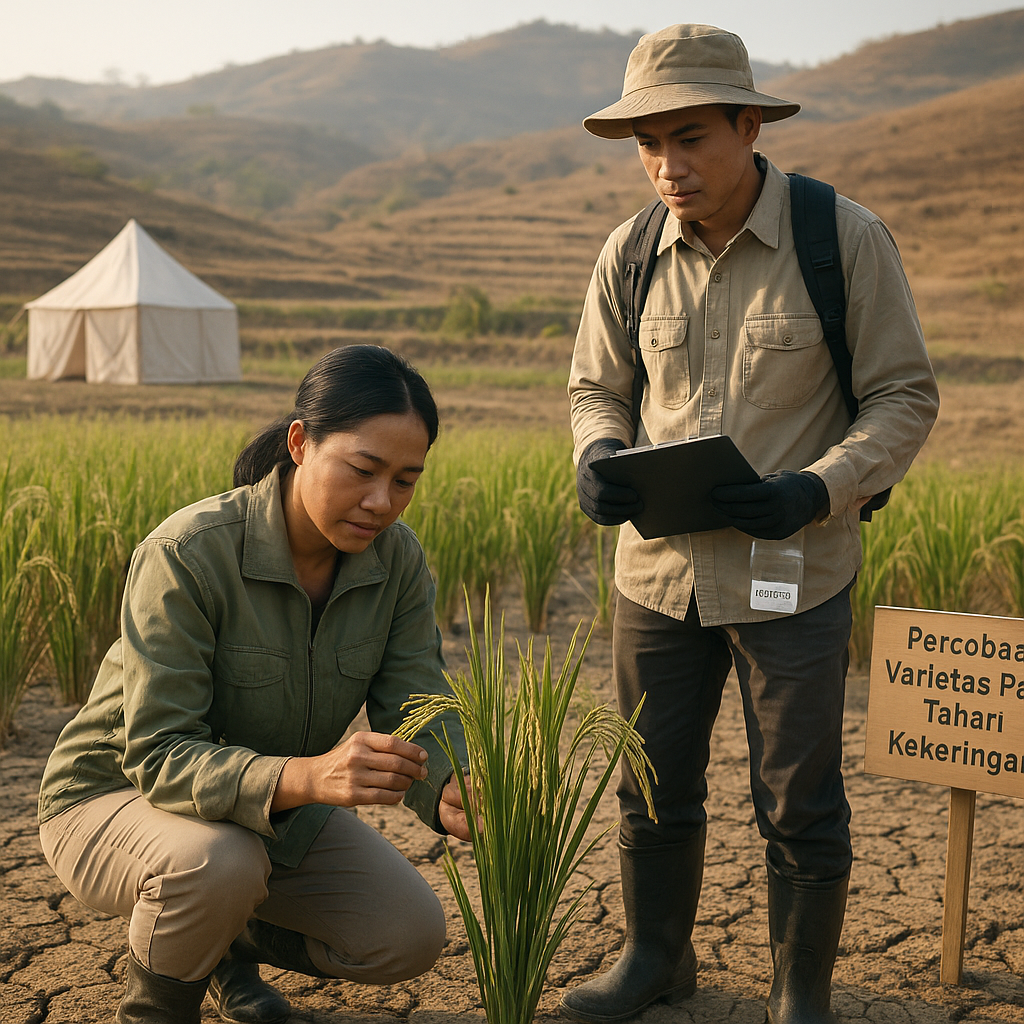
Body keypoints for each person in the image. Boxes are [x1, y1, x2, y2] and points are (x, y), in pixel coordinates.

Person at [564, 24, 939, 1024]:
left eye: (688, 137)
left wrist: (814, 488)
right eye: (647, 145)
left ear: (747, 124)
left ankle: (796, 989)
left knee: (798, 796)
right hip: (655, 578)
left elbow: (903, 396)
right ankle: (654, 959)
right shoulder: (630, 251)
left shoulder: (837, 236)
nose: (666, 166)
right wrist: (594, 455)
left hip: (795, 571)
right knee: (648, 784)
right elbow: (595, 387)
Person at [37, 345, 471, 1024]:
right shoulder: (190, 553)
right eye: (363, 470)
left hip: (269, 821)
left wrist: (453, 785)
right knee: (219, 862)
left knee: (405, 934)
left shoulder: (397, 561)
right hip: (112, 797)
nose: (382, 501)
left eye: (406, 480)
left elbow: (417, 698)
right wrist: (310, 778)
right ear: (300, 443)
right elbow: (156, 754)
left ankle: (222, 940)